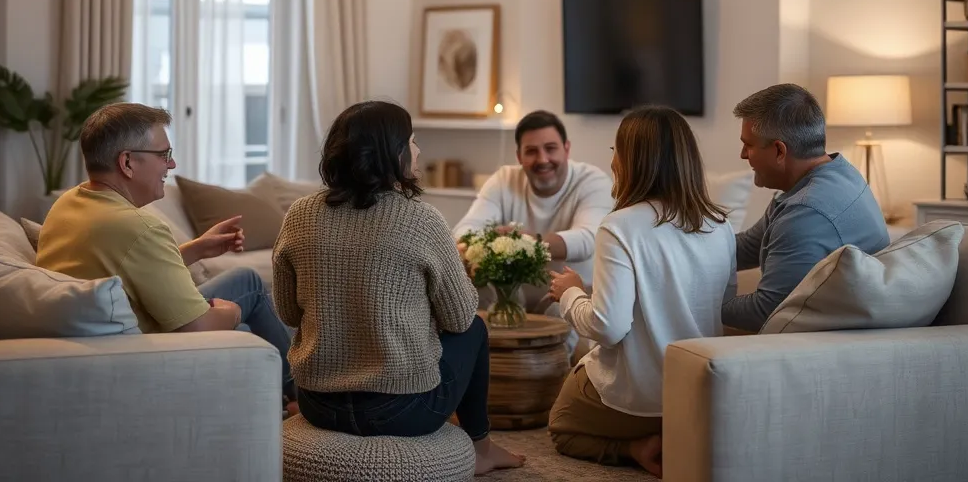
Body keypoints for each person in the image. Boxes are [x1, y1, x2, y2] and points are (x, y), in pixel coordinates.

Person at [271, 100, 523, 476]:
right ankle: (481, 446)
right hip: (403, 413)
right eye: (412, 140)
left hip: (317, 404)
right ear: (393, 152)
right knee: (476, 328)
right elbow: (458, 318)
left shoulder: (300, 214)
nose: (419, 150)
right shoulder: (422, 219)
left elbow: (289, 313)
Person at [36, 102, 296, 409]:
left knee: (245, 278)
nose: (171, 166)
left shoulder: (70, 202)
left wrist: (196, 248)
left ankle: (291, 396)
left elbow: (123, 266)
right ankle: (303, 396)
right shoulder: (139, 227)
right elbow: (196, 327)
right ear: (128, 162)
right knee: (243, 322)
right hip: (145, 352)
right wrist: (232, 312)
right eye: (164, 155)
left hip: (96, 343)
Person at [546, 106, 737, 477]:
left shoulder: (619, 226)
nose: (613, 160)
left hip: (640, 398)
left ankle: (637, 447)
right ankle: (670, 436)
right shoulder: (721, 224)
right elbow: (723, 309)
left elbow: (607, 328)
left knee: (561, 425)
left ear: (634, 160)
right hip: (700, 395)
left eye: (616, 150)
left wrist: (570, 294)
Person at [723, 84, 890, 332]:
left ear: (779, 150)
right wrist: (679, 250)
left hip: (825, 343)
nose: (743, 155)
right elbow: (748, 247)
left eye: (748, 145)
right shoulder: (836, 172)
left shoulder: (806, 212)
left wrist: (688, 300)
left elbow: (766, 311)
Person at [453, 110, 615, 314]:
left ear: (566, 149)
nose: (543, 159)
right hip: (510, 301)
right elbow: (464, 230)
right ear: (519, 156)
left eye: (550, 148)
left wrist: (523, 245)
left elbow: (588, 238)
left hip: (569, 304)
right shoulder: (504, 179)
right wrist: (494, 243)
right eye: (531, 151)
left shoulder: (593, 181)